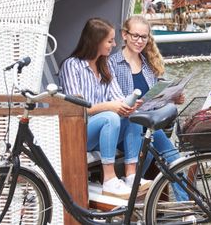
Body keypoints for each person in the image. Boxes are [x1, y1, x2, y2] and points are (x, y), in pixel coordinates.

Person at [59, 18, 152, 199]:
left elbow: (117, 97)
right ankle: (109, 180)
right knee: (111, 116)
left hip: (103, 130)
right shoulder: (72, 65)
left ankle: (131, 176)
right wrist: (108, 106)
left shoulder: (105, 65)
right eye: (110, 40)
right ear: (96, 41)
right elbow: (75, 110)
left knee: (132, 115)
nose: (114, 44)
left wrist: (129, 103)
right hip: (78, 133)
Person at [109, 15, 188, 201]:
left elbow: (154, 99)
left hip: (149, 124)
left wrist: (173, 98)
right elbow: (111, 98)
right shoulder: (112, 63)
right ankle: (132, 198)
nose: (139, 41)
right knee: (148, 151)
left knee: (175, 161)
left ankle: (186, 209)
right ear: (125, 35)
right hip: (126, 126)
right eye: (135, 36)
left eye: (143, 37)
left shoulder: (148, 64)